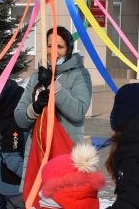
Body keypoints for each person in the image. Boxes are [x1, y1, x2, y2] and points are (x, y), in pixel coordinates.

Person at [15, 25, 93, 176]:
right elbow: (19, 118)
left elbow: (79, 111)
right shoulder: (36, 76)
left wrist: (52, 86)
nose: (54, 52)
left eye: (60, 47)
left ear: (68, 50)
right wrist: (35, 108)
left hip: (65, 152)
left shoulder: (79, 75)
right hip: (37, 154)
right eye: (50, 46)